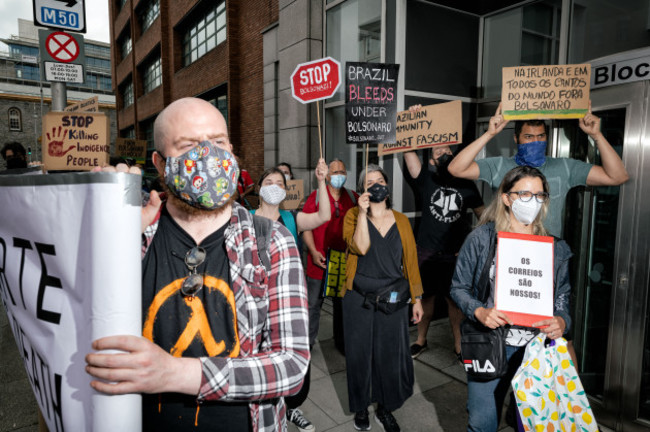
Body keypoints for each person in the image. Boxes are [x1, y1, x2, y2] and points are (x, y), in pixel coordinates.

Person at [85, 97, 310, 432]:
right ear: (160, 164)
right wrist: (106, 225)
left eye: (218, 143)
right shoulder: (132, 233)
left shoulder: (271, 241)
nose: (208, 155)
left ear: (232, 152)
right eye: (189, 145)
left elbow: (291, 366)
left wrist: (173, 373)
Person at [450, 166, 572, 432]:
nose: (533, 201)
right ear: (506, 198)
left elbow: (562, 296)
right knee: (482, 422)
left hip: (535, 349)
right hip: (489, 343)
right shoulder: (482, 239)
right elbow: (458, 288)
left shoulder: (555, 247)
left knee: (531, 423)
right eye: (524, 194)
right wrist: (479, 311)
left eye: (540, 195)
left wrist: (562, 321)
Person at [448, 102, 629, 237]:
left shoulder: (564, 167)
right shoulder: (499, 165)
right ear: (516, 138)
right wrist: (490, 134)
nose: (535, 142)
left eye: (540, 136)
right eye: (528, 136)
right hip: (507, 249)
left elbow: (617, 177)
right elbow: (456, 169)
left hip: (547, 254)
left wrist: (596, 135)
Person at [342, 164, 424, 432]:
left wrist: (417, 299)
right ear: (362, 189)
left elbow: (410, 261)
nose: (376, 184)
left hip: (393, 299)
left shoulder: (401, 220)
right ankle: (361, 408)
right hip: (359, 298)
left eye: (380, 180)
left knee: (389, 356)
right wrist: (364, 214)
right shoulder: (352, 216)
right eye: (369, 181)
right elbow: (361, 247)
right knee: (359, 356)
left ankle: (385, 408)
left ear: (387, 186)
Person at [251, 161, 330, 432]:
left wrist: (321, 181)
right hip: (254, 299)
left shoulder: (291, 218)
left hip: (286, 301)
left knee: (291, 353)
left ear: (287, 191)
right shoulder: (245, 217)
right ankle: (264, 408)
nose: (275, 188)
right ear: (259, 188)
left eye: (280, 184)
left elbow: (323, 216)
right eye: (269, 183)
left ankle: (292, 407)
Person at [403, 128, 484, 360]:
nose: (443, 153)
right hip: (426, 251)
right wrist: (412, 123)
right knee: (424, 298)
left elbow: (485, 217)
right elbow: (409, 155)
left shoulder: (467, 185)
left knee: (455, 302)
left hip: (454, 255)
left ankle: (458, 346)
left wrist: (470, 244)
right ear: (431, 160)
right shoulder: (425, 179)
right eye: (438, 152)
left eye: (447, 149)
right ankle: (420, 340)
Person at [302, 158, 358, 351]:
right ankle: (307, 344)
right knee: (312, 305)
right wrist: (313, 250)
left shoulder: (353, 197)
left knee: (342, 306)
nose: (339, 176)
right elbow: (306, 228)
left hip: (343, 262)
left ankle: (341, 343)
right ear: (326, 175)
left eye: (342, 172)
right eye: (334, 172)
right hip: (318, 261)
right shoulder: (316, 197)